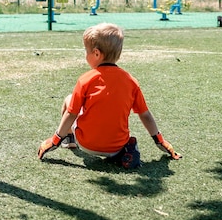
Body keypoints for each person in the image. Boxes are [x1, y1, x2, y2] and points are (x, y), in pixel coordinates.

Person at [37, 23, 182, 169]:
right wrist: (160, 140)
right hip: (116, 148)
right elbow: (145, 115)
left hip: (87, 144)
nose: (85, 54)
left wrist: (55, 140)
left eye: (85, 51)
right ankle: (125, 151)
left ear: (97, 53)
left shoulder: (85, 79)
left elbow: (71, 113)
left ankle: (68, 139)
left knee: (69, 101)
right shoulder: (130, 81)